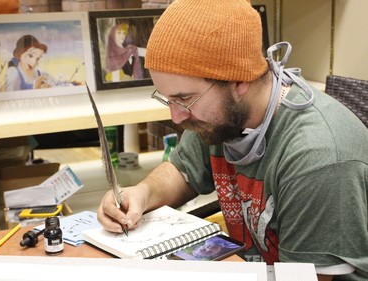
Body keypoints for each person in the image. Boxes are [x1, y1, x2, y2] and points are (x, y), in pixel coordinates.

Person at [98, 1, 368, 280]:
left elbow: (306, 278)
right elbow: (183, 170)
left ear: (239, 81)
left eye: (184, 99)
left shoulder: (316, 157)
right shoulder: (221, 117)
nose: (176, 117)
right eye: (168, 98)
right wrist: (141, 194)